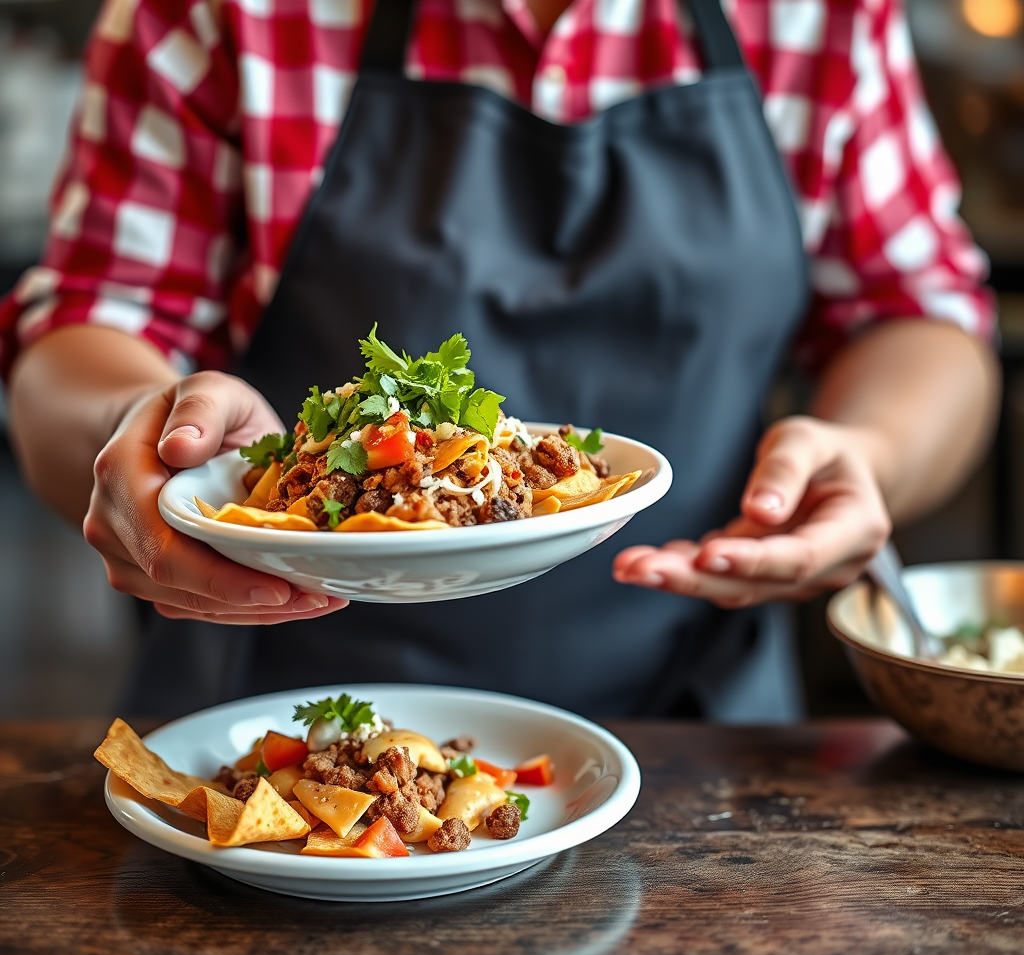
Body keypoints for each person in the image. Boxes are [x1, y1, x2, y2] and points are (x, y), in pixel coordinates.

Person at [1, 0, 999, 721]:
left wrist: (869, 450)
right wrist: (135, 424)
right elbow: (84, 328)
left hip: (701, 732)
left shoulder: (820, 17)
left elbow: (920, 316)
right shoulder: (216, 14)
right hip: (277, 729)